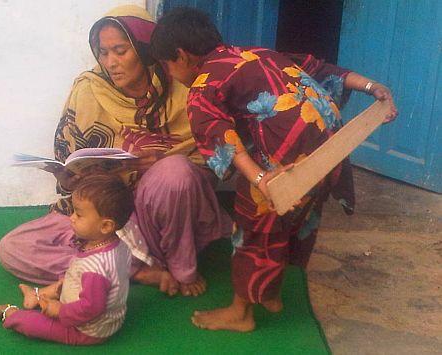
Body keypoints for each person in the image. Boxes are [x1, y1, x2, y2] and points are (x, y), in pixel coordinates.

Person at [150, 8, 398, 331]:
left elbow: (221, 138)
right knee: (297, 216)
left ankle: (241, 312)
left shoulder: (202, 86)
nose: (170, 74)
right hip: (330, 149)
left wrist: (259, 179)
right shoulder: (259, 54)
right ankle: (271, 292)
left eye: (167, 66)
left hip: (288, 159)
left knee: (253, 224)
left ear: (181, 56)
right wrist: (372, 87)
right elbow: (320, 70)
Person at [0, 5, 232, 297]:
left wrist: (159, 166)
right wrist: (82, 174)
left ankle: (178, 267)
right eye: (103, 52)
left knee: (175, 171)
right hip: (107, 213)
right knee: (13, 248)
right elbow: (68, 161)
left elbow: (215, 158)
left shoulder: (183, 86)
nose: (111, 62)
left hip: (158, 216)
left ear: (145, 49)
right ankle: (133, 268)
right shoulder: (89, 89)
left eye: (121, 50)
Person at [0, 175, 133, 345]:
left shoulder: (94, 269)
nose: (72, 217)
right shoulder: (120, 246)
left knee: (32, 324)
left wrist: (59, 310)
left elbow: (91, 308)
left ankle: (9, 312)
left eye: (79, 215)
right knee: (66, 280)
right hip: (111, 318)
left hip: (87, 330)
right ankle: (36, 295)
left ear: (105, 226)